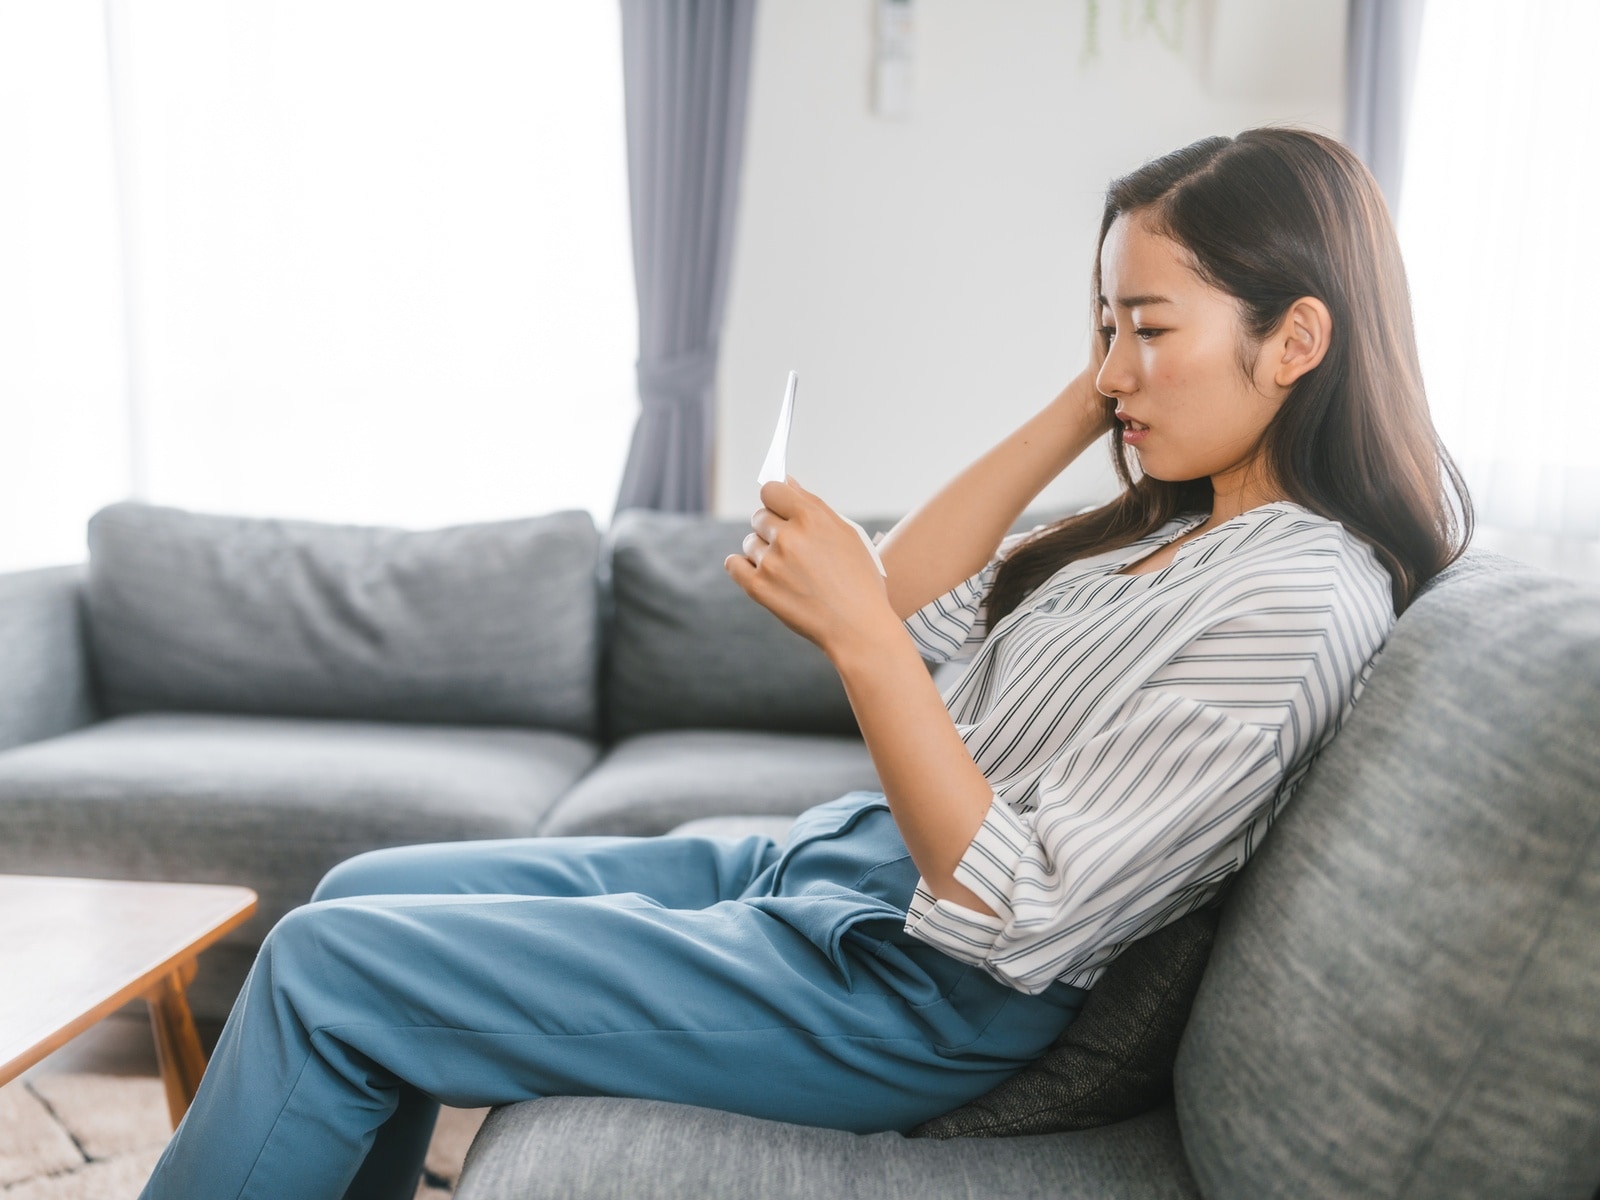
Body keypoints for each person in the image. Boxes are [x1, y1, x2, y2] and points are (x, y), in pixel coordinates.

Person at [139, 126, 1471, 1199]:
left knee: (328, 969)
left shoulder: (1303, 599)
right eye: (1103, 326)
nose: (1117, 370)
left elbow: (1026, 911)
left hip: (907, 987)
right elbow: (910, 597)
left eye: (1151, 330)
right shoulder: (1166, 530)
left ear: (1295, 342)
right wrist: (1095, 395)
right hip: (824, 869)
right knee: (367, 888)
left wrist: (855, 643)